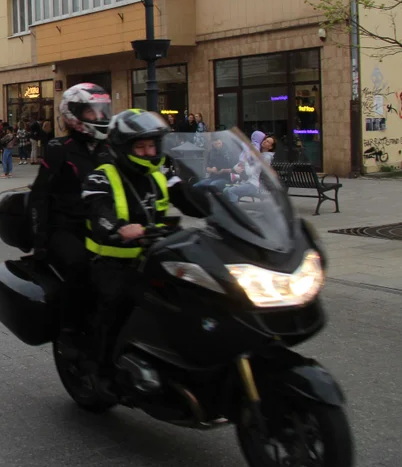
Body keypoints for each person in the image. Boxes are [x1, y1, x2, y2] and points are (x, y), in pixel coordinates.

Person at [83, 110, 205, 371]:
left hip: (156, 256)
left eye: (152, 146)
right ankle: (102, 370)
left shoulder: (161, 175)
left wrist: (222, 206)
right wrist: (120, 227)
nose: (149, 153)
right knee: (117, 311)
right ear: (122, 148)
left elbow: (190, 200)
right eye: (141, 147)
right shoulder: (101, 177)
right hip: (113, 263)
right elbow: (98, 211)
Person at [28, 83, 113, 280]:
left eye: (102, 111)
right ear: (73, 113)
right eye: (92, 112)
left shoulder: (109, 149)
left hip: (104, 224)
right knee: (79, 267)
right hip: (68, 226)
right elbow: (40, 195)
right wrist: (40, 241)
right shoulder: (60, 149)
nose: (99, 117)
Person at [226, 134, 275, 204]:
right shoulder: (258, 153)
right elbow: (241, 164)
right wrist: (238, 166)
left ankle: (236, 213)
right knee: (226, 190)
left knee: (231, 191)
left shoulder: (265, 158)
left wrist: (246, 161)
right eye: (265, 140)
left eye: (268, 142)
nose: (264, 141)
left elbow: (250, 172)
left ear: (270, 147)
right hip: (246, 181)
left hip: (253, 184)